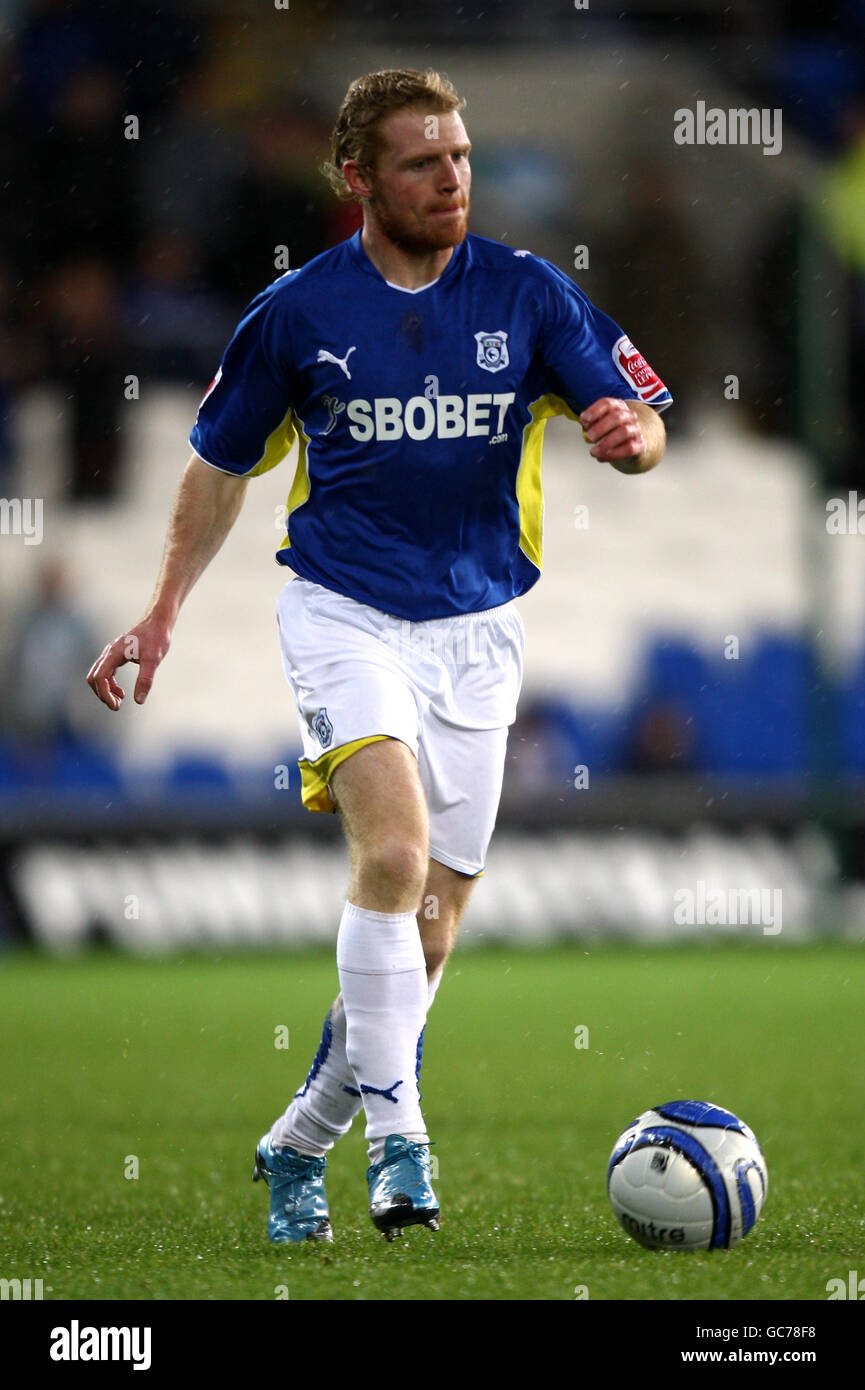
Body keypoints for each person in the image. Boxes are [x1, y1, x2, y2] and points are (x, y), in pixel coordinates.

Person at [87, 67, 671, 1245]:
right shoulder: (297, 313)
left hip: (478, 629)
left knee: (431, 929)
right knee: (392, 855)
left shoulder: (528, 294)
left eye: (458, 155)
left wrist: (632, 437)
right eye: (420, 160)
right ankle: (401, 1141)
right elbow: (216, 466)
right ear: (357, 179)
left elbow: (644, 420)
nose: (450, 178)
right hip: (341, 609)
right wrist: (162, 611)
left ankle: (300, 1138)